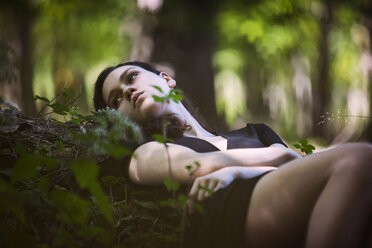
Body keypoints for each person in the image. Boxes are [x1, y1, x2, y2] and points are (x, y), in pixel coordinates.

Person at [94, 61, 372, 248]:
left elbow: (295, 163)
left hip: (278, 202)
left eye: (131, 78)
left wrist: (236, 170)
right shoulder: (140, 154)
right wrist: (276, 155)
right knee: (357, 159)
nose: (127, 91)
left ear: (166, 80)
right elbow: (198, 167)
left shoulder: (256, 132)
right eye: (115, 100)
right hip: (229, 218)